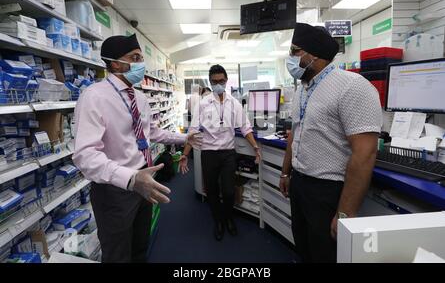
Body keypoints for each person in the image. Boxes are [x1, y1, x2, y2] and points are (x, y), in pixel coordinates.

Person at [73, 34, 202, 263]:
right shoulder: (94, 96)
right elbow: (85, 155)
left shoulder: (140, 98)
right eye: (135, 58)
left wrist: (184, 138)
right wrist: (131, 179)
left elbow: (152, 132)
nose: (141, 65)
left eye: (141, 58)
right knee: (118, 255)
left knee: (141, 247)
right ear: (114, 63)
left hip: (144, 178)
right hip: (115, 189)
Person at [279, 23, 383, 263]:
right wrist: (286, 173)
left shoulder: (352, 86)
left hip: (327, 191)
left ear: (312, 55)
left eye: (295, 51)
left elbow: (364, 154)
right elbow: (295, 134)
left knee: (325, 254)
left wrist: (345, 213)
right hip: (300, 184)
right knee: (303, 248)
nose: (290, 58)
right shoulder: (303, 89)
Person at [179, 65, 261, 241]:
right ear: (210, 82)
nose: (218, 84)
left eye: (221, 81)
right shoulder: (202, 104)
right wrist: (185, 154)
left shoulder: (234, 103)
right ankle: (218, 220)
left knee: (229, 191)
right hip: (208, 153)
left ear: (226, 80)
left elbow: (245, 128)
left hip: (228, 153)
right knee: (212, 191)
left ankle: (228, 217)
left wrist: (255, 147)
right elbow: (193, 131)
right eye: (214, 82)